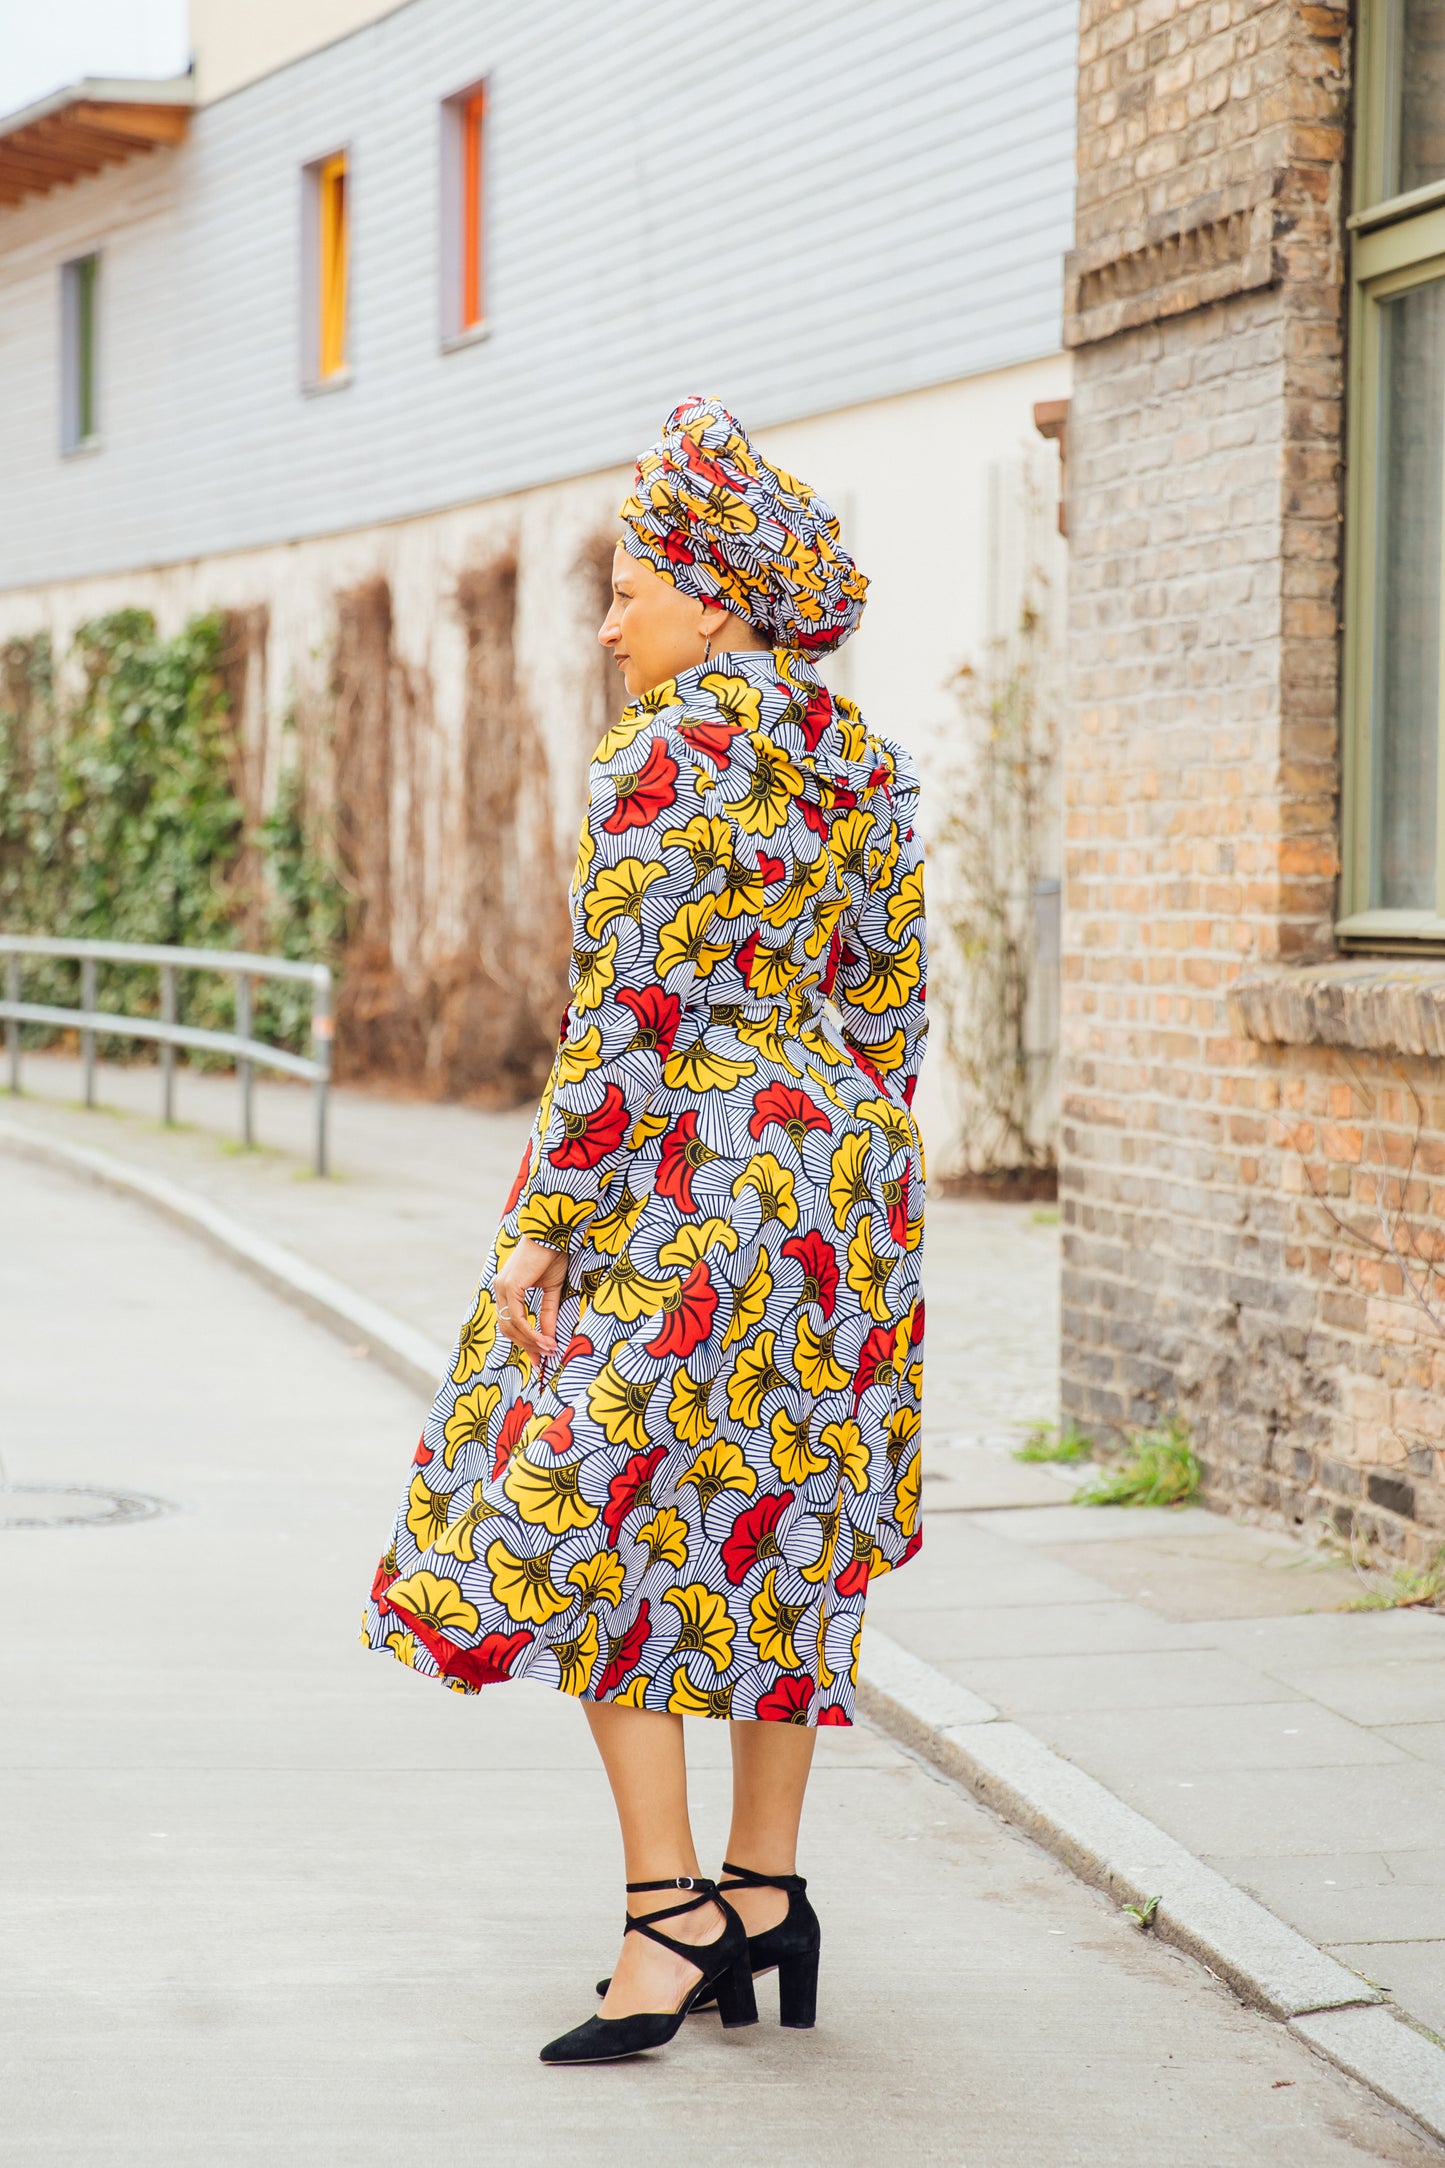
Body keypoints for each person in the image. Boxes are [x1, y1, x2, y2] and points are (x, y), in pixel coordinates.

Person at [360, 394, 928, 2065]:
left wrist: (545, 1222)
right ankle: (765, 1891)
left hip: (691, 1181)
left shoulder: (666, 753)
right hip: (841, 1184)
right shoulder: (863, 759)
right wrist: (838, 1149)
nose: (610, 625)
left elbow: (625, 1012)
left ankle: (667, 1915)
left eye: (629, 590)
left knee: (593, 1518)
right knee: (773, 1523)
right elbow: (891, 1007)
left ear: (719, 599)